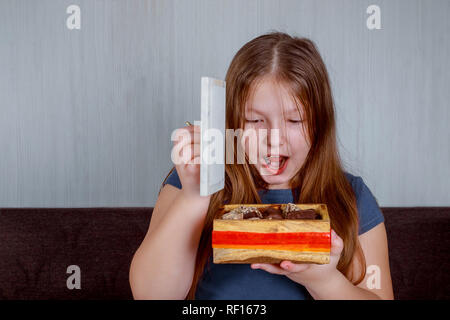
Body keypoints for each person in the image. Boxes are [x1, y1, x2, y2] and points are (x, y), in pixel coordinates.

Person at [129, 31, 394, 300]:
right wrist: (193, 198)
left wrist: (326, 281)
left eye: (295, 121)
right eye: (255, 121)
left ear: (320, 124)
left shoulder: (351, 196)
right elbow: (151, 295)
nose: (274, 140)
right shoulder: (190, 180)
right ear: (233, 123)